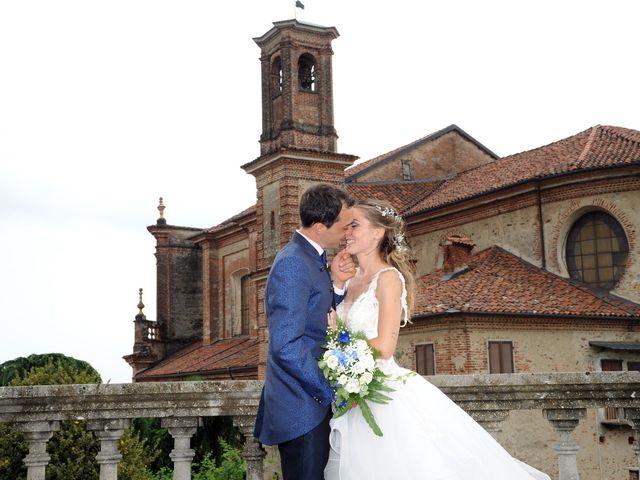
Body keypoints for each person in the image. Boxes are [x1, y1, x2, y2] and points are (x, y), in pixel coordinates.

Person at [324, 199, 551, 480]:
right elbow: (333, 327)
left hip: (383, 397)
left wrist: (341, 348)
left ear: (377, 233)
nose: (347, 232)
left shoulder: (388, 279)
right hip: (352, 395)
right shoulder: (348, 279)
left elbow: (384, 345)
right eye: (346, 227)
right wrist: (335, 284)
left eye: (354, 225)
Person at [254, 183, 355, 480]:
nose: (348, 233)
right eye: (345, 226)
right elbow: (286, 345)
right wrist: (329, 390)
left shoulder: (312, 257)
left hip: (309, 404)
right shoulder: (294, 263)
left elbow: (314, 318)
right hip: (301, 408)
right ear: (321, 227)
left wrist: (336, 285)